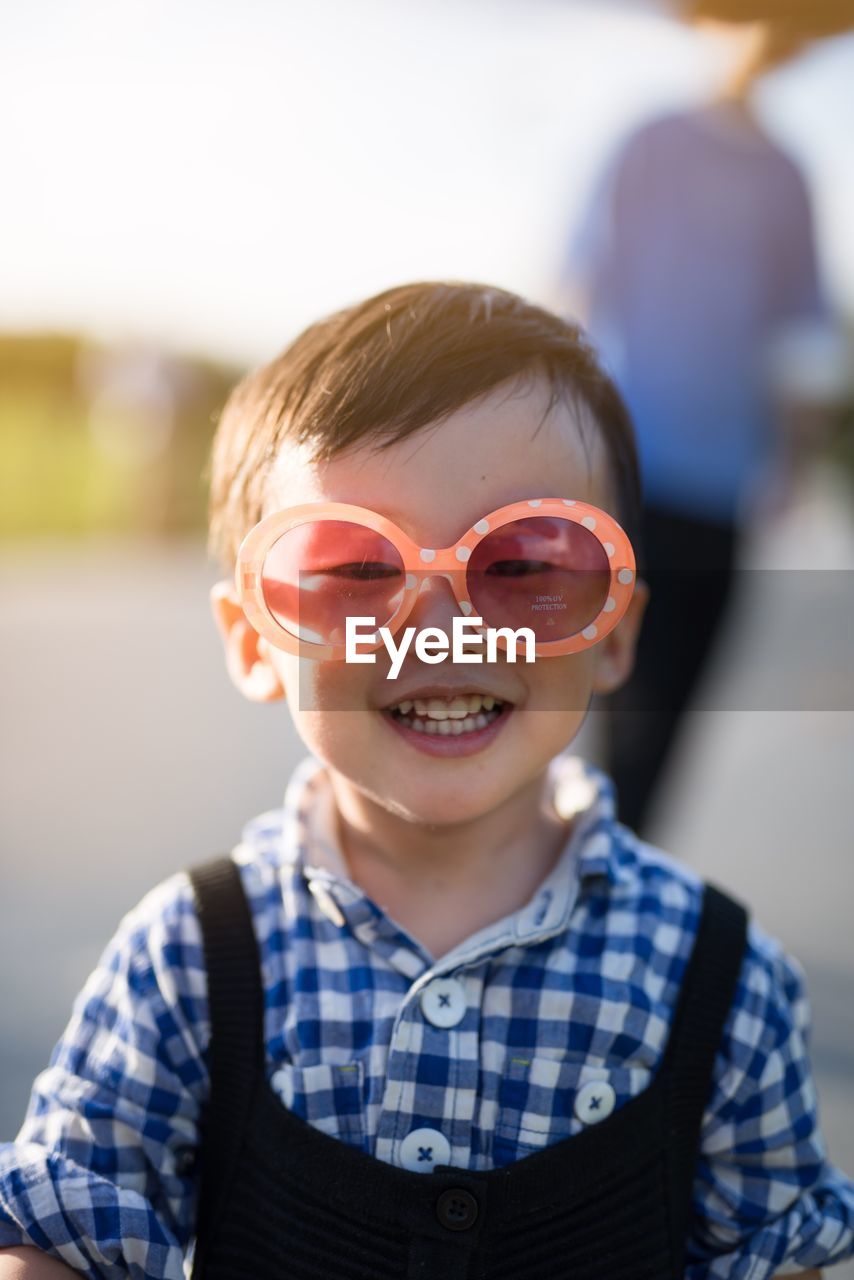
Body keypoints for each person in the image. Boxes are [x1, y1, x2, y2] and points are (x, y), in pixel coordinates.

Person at [0, 283, 851, 1280]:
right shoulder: (185, 957)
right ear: (252, 640)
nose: (443, 625)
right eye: (355, 567)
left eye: (526, 557)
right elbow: (61, 1237)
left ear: (615, 628)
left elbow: (775, 1252)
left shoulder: (720, 976)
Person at [560, 3, 839, 836]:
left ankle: (621, 878)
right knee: (600, 683)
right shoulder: (649, 141)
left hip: (725, 484)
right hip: (626, 464)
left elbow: (802, 335)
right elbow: (580, 287)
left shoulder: (789, 174)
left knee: (675, 705)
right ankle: (556, 862)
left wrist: (794, 459)